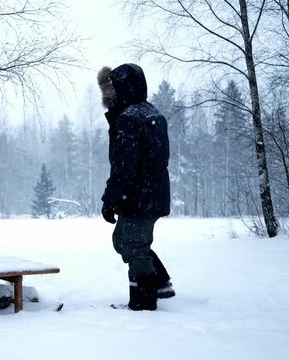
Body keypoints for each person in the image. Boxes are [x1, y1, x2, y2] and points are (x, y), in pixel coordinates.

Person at [97, 63, 174, 311]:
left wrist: (111, 200)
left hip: (139, 196)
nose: (107, 98)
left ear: (122, 90)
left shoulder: (130, 119)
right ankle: (160, 283)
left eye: (111, 91)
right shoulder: (151, 113)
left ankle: (143, 301)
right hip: (152, 193)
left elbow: (123, 167)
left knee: (134, 246)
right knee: (122, 240)